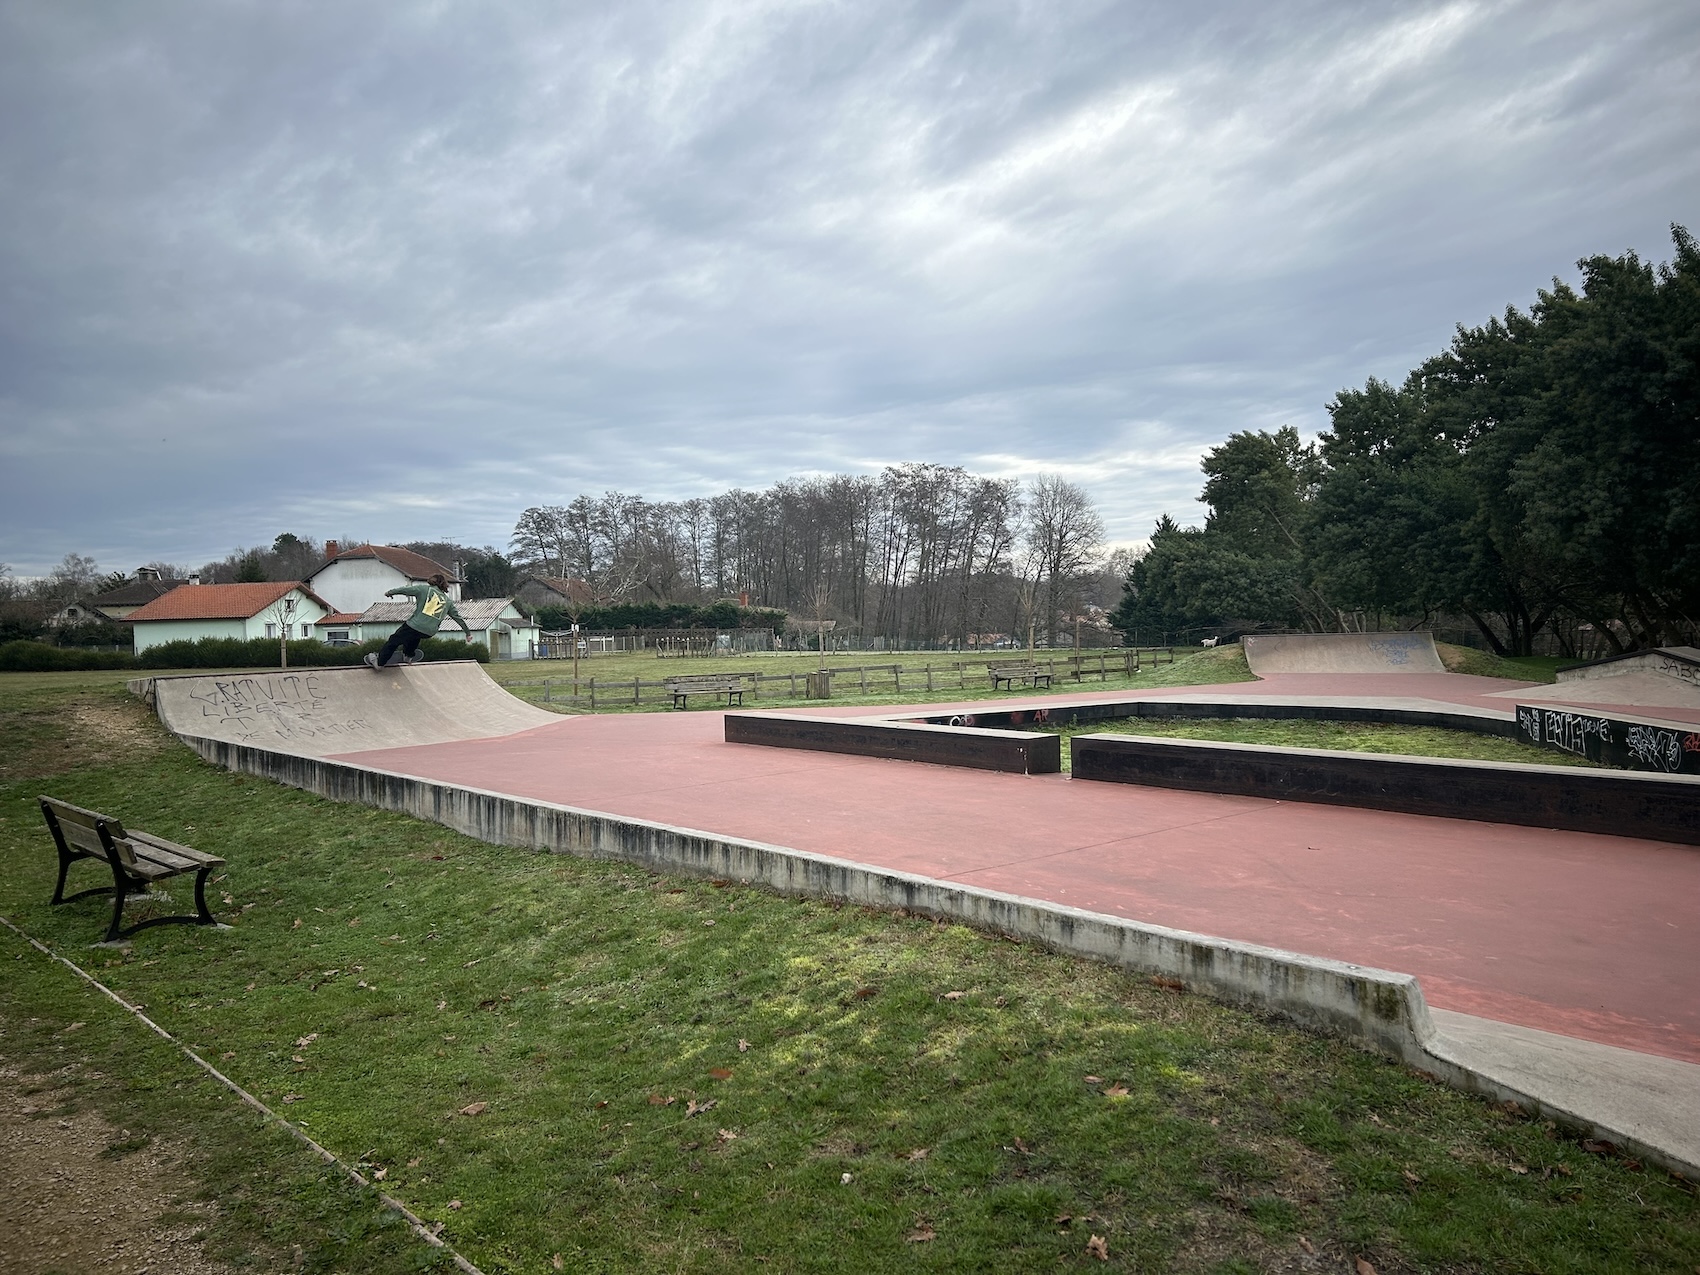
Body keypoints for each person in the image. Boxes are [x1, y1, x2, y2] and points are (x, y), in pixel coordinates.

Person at [365, 573, 471, 668]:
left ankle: (379, 662)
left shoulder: (423, 589)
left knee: (394, 640)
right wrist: (467, 633)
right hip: (429, 632)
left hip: (415, 625)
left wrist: (390, 592)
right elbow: (458, 618)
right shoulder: (448, 601)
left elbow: (405, 590)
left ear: (432, 582)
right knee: (414, 636)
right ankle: (408, 655)